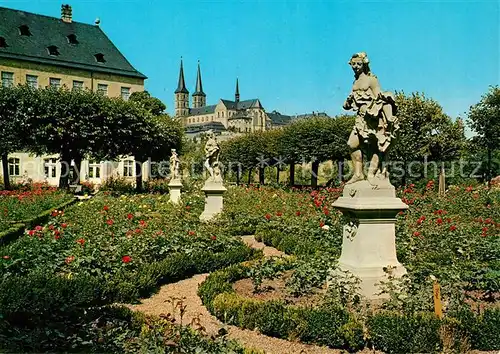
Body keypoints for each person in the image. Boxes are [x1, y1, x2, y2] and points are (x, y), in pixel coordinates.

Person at [343, 52, 399, 185]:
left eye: (359, 64)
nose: (356, 66)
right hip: (360, 119)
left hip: (373, 120)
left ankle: (371, 174)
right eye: (354, 64)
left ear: (364, 64)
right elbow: (349, 104)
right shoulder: (355, 82)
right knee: (351, 144)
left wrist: (389, 117)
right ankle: (358, 174)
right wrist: (347, 103)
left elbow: (381, 98)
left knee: (377, 148)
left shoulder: (371, 80)